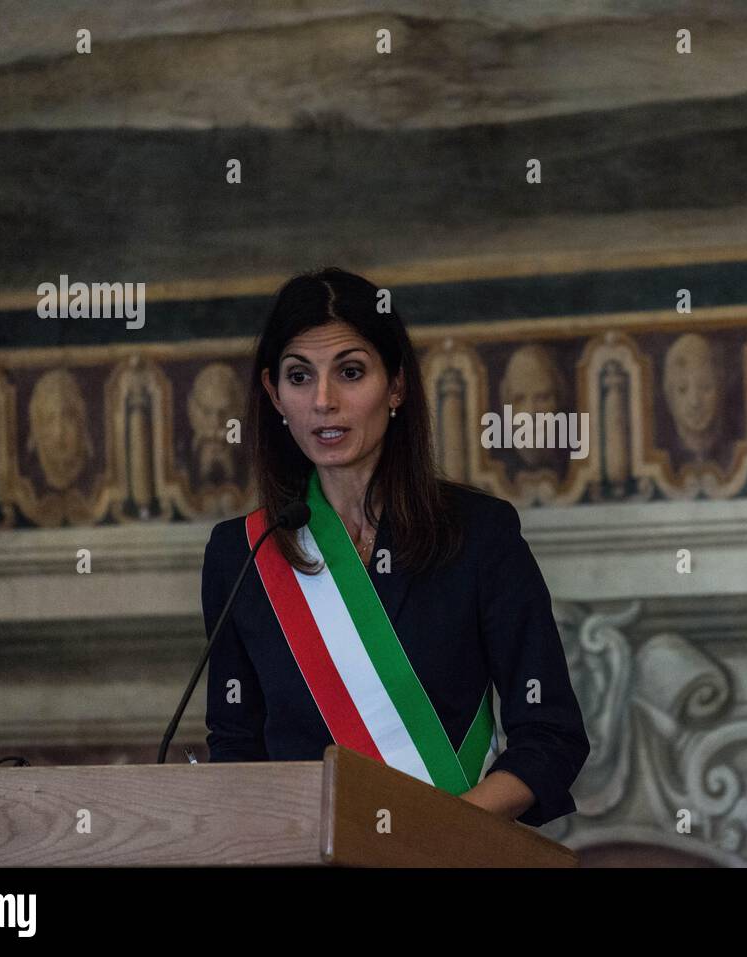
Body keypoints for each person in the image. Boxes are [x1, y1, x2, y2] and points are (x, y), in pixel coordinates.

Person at [202, 267, 590, 828]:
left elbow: (550, 734)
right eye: (299, 376)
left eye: (351, 372)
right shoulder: (241, 555)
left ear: (397, 386)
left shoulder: (481, 534)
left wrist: (430, 840)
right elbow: (236, 749)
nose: (324, 401)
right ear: (274, 394)